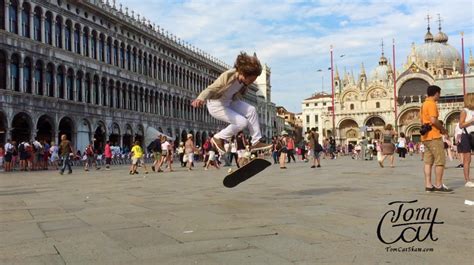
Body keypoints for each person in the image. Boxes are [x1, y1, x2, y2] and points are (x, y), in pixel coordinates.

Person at [191, 52, 272, 154]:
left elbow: (238, 93)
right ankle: (218, 137)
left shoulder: (243, 83)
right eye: (251, 79)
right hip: (216, 105)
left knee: (251, 110)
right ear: (243, 73)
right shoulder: (228, 75)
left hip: (229, 102)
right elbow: (212, 88)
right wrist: (200, 98)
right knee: (242, 122)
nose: (251, 82)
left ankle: (256, 141)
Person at [420, 85, 452, 193]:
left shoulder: (424, 104)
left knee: (428, 162)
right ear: (436, 93)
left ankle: (428, 185)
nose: (440, 96)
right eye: (439, 94)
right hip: (434, 136)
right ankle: (438, 185)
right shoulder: (432, 104)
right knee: (440, 161)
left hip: (425, 137)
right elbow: (433, 120)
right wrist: (443, 129)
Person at [458, 92, 474, 188]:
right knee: (467, 159)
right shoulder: (465, 111)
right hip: (467, 136)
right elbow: (461, 125)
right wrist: (471, 121)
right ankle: (467, 180)